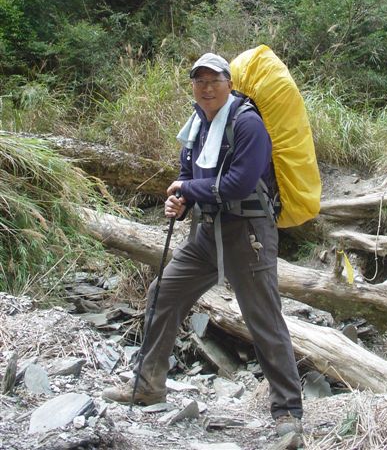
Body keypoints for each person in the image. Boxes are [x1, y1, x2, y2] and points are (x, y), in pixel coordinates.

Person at [103, 52, 303, 439]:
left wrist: (187, 189)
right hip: (206, 234)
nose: (207, 88)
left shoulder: (248, 124)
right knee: (163, 292)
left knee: (264, 319)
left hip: (248, 235)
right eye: (200, 81)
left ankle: (288, 413)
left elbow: (239, 184)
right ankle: (148, 384)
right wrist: (179, 203)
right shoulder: (197, 124)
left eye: (214, 80)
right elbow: (187, 174)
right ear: (193, 86)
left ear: (230, 84)